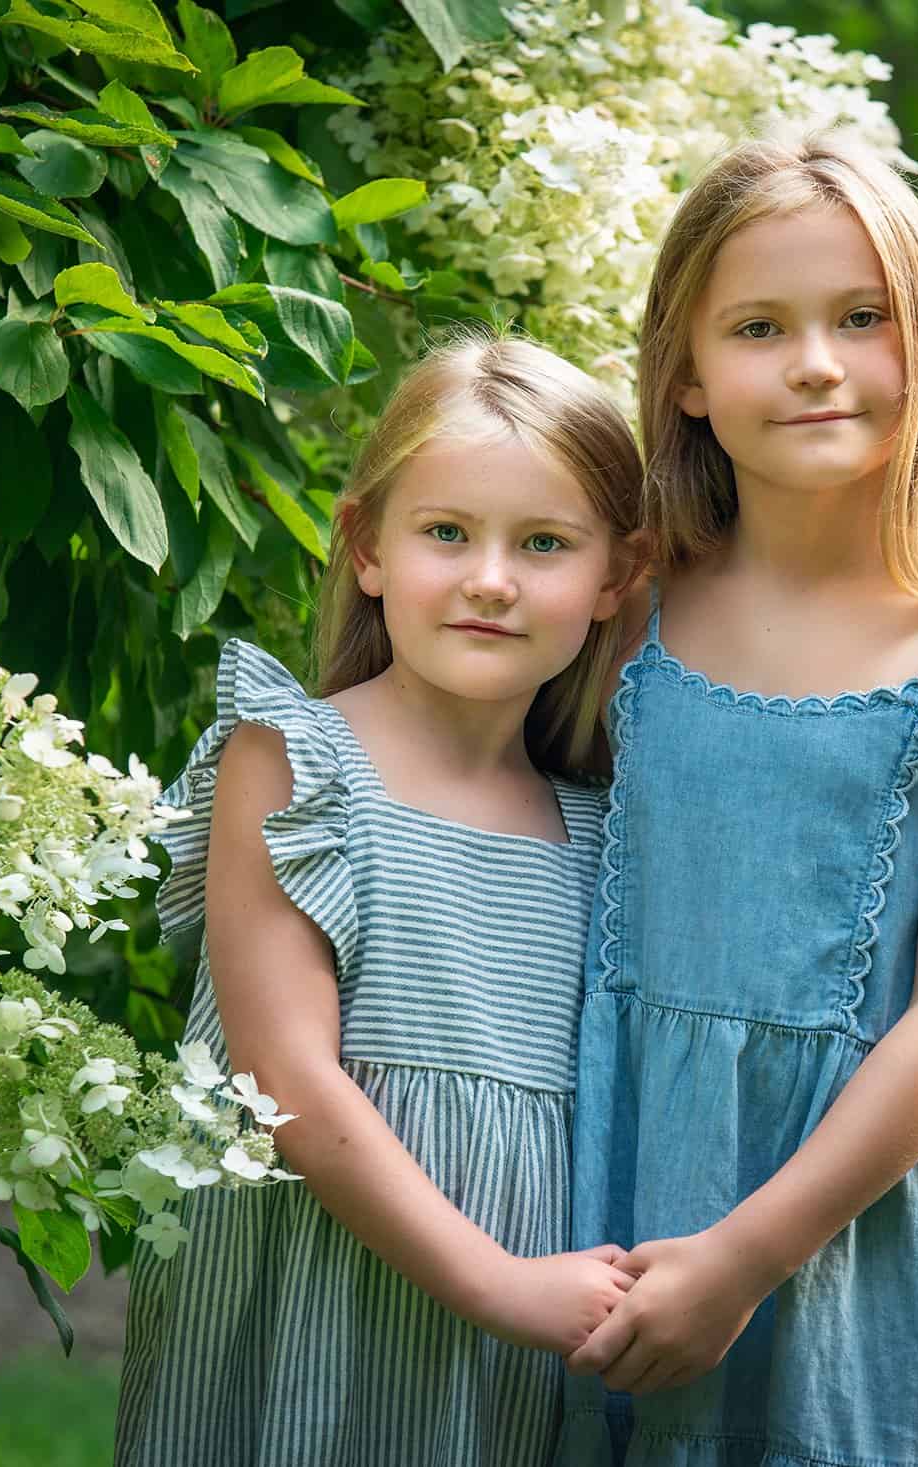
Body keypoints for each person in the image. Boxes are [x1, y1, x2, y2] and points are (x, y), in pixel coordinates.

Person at [557, 128, 918, 1467]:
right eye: (759, 326)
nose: (814, 363)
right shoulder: (625, 603)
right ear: (683, 371)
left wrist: (745, 1256)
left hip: (857, 1210)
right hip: (618, 1167)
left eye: (862, 319)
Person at [115, 334, 645, 1467]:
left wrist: (531, 1294)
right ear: (366, 548)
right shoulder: (295, 766)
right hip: (314, 1290)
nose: (490, 578)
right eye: (445, 533)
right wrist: (496, 1285)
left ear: (612, 580)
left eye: (543, 544)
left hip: (510, 1352)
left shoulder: (601, 828)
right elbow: (284, 1078)